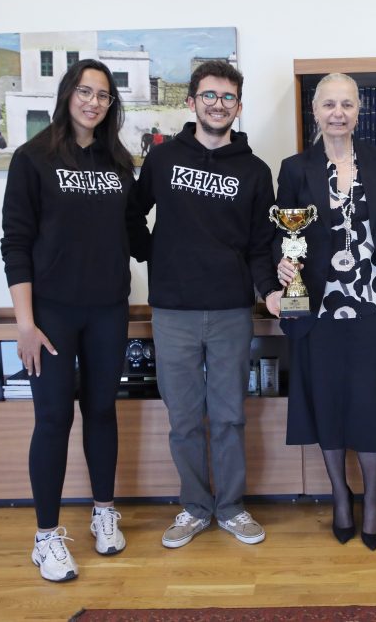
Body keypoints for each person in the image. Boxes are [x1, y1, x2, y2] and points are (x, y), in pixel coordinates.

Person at [1, 59, 145, 582]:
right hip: (52, 315)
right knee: (54, 418)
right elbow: (15, 244)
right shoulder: (32, 158)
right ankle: (46, 538)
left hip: (108, 308)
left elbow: (137, 234)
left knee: (102, 411)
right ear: (67, 95)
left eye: (103, 95)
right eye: (85, 92)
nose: (93, 102)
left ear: (111, 104)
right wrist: (25, 323)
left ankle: (104, 512)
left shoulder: (118, 162)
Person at [133, 60, 279, 550]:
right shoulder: (162, 159)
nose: (219, 105)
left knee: (230, 416)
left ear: (239, 106)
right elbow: (132, 215)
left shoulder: (255, 171)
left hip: (231, 311)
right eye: (210, 96)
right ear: (192, 101)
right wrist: (155, 254)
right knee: (184, 419)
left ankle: (231, 507)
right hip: (172, 311)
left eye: (228, 97)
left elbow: (261, 243)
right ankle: (195, 508)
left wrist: (269, 290)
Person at [273, 73, 376, 550]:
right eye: (329, 104)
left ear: (359, 110)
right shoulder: (294, 168)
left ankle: (372, 499)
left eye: (347, 104)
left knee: (371, 402)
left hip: (375, 303)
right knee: (326, 401)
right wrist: (282, 264)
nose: (338, 113)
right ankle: (340, 496)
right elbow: (282, 233)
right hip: (319, 307)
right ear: (315, 111)